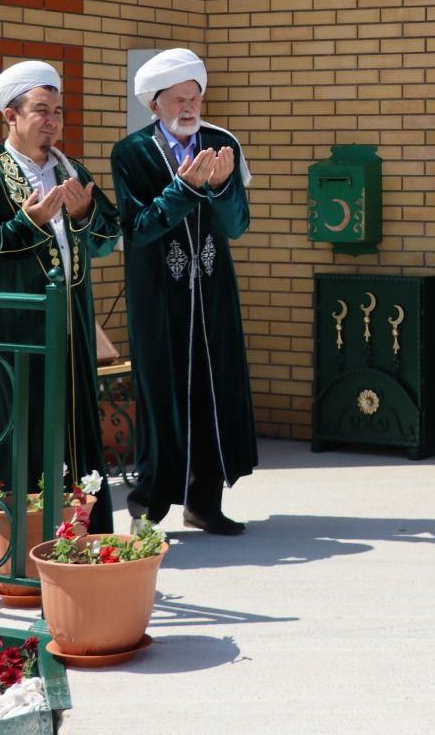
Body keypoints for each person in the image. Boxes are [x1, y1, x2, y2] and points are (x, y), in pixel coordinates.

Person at [0, 61, 119, 533]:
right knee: (22, 430)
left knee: (77, 430)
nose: (52, 121)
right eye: (41, 110)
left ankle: (85, 535)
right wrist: (28, 223)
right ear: (11, 116)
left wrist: (84, 216)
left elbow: (107, 236)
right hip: (15, 334)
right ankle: (18, 543)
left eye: (58, 112)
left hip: (72, 328)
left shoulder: (71, 170)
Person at [111, 48, 256, 536]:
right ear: (155, 105)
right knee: (162, 395)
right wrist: (186, 190)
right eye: (178, 100)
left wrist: (220, 188)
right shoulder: (131, 153)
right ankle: (148, 510)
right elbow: (138, 229)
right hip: (159, 297)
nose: (190, 108)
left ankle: (205, 503)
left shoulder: (220, 143)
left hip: (212, 292)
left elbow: (238, 225)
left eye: (195, 97)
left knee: (216, 392)